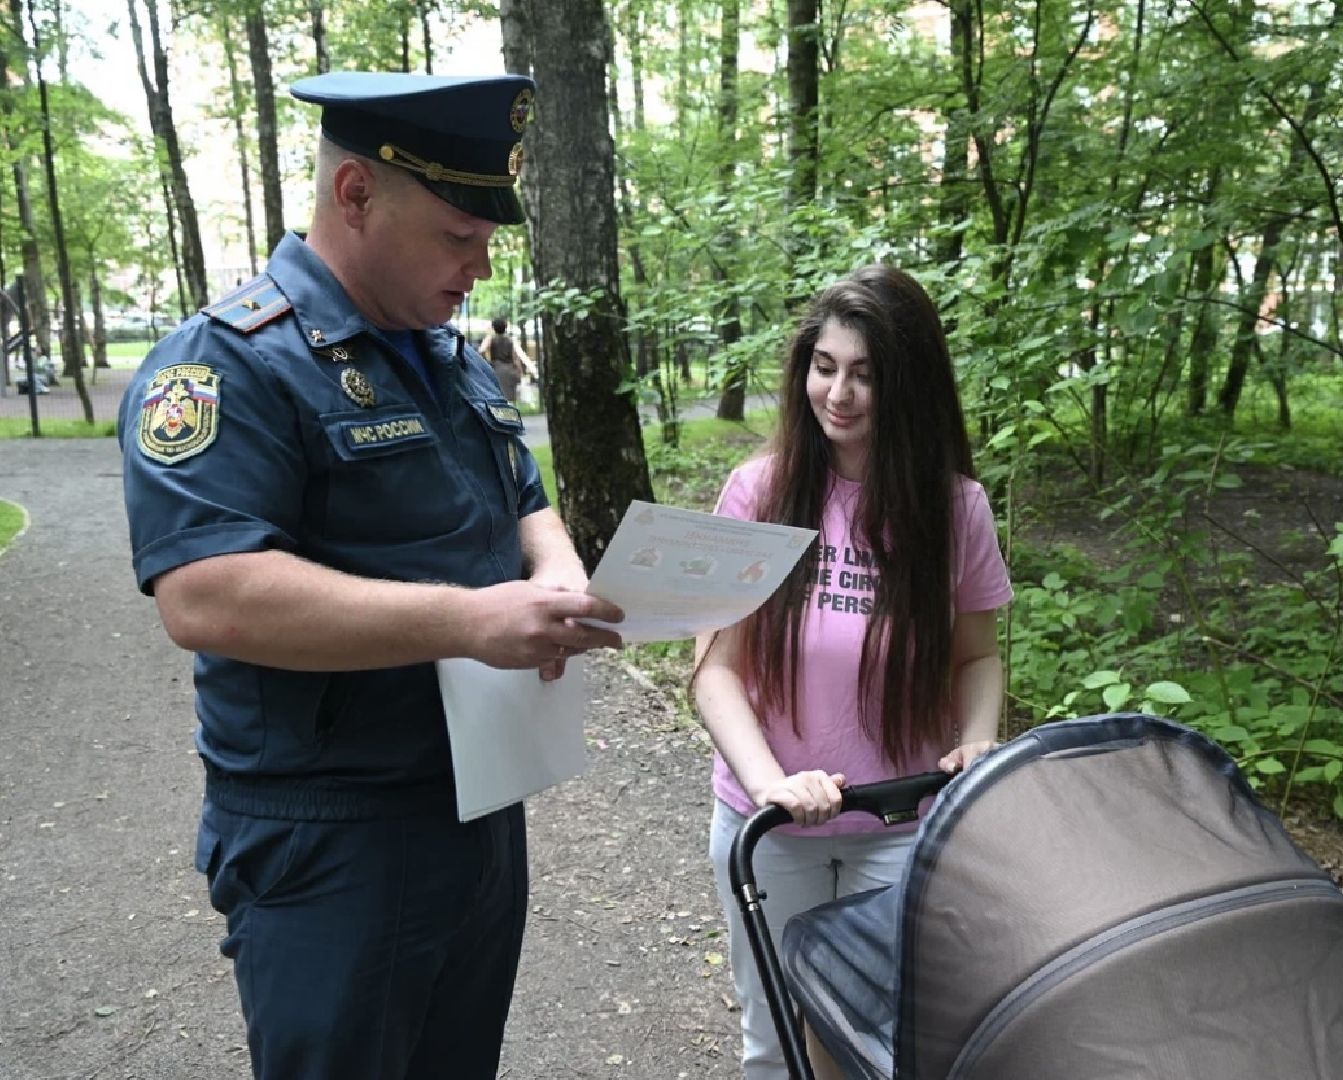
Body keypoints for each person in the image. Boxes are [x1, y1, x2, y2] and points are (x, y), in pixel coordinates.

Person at [116, 71, 623, 1080]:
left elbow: (522, 496)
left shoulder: (443, 357)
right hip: (331, 834)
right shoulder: (226, 366)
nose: (479, 266)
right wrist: (468, 620)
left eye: (486, 241)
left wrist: (558, 569)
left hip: (476, 802)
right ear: (354, 195)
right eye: (455, 237)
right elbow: (204, 592)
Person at [691, 265, 1013, 1079]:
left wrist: (977, 742)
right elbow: (715, 669)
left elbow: (975, 654)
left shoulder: (954, 507)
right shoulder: (757, 493)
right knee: (774, 1042)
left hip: (900, 827)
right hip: (772, 830)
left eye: (865, 374)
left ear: (907, 383)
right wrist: (773, 783)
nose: (838, 392)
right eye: (824, 366)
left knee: (881, 1044)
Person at [478, 315, 534, 403]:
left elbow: (481, 350)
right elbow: (515, 358)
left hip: (496, 369)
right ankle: (510, 415)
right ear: (505, 327)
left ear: (493, 327)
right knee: (509, 398)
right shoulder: (510, 340)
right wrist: (520, 372)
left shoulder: (491, 339)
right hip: (509, 370)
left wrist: (487, 362)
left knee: (497, 396)